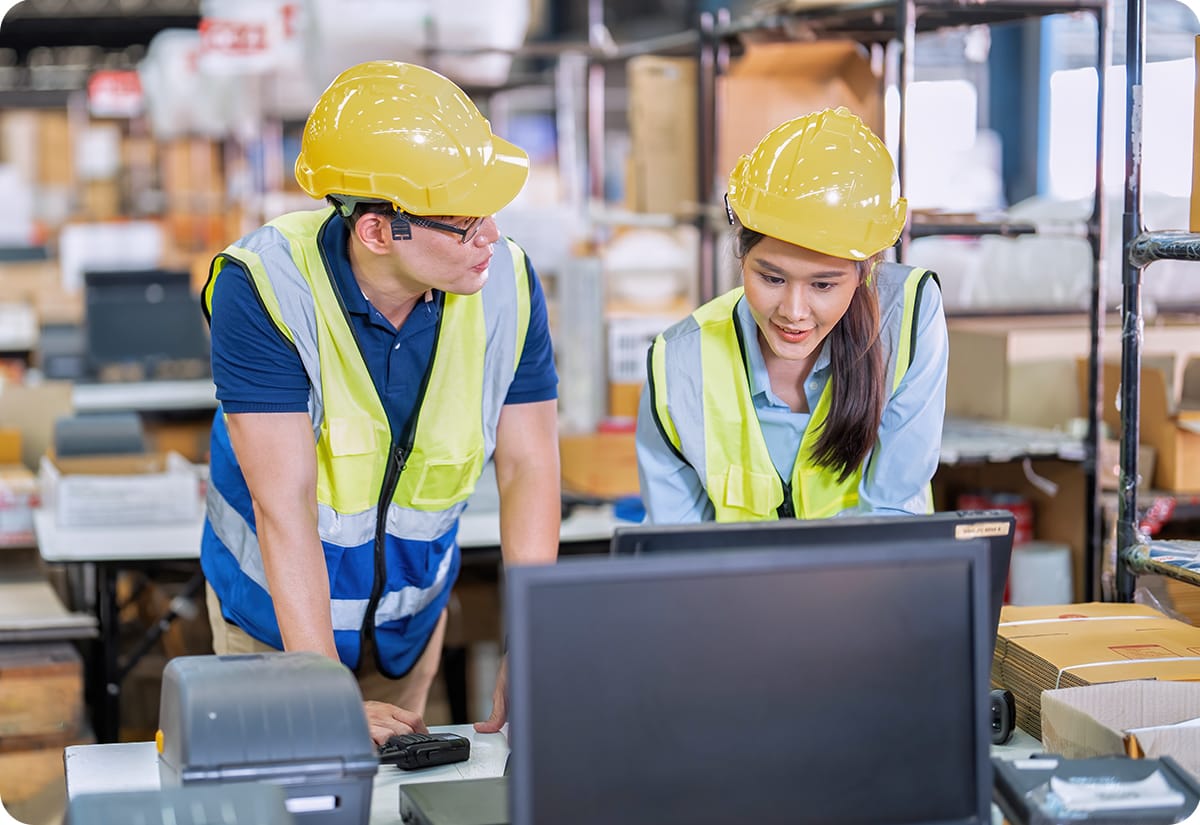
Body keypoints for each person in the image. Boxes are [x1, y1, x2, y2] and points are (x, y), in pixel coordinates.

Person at [199, 60, 561, 743]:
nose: (489, 236)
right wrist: (320, 689)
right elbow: (286, 504)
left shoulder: (507, 282)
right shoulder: (268, 287)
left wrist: (535, 638)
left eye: (489, 211)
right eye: (461, 221)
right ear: (375, 231)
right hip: (277, 635)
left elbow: (529, 467)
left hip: (408, 630)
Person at [636, 106, 947, 523]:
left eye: (823, 285)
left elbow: (893, 512)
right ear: (742, 255)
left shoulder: (907, 317)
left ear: (865, 270)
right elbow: (676, 550)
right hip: (732, 589)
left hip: (876, 584)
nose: (794, 312)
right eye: (772, 278)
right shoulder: (680, 363)